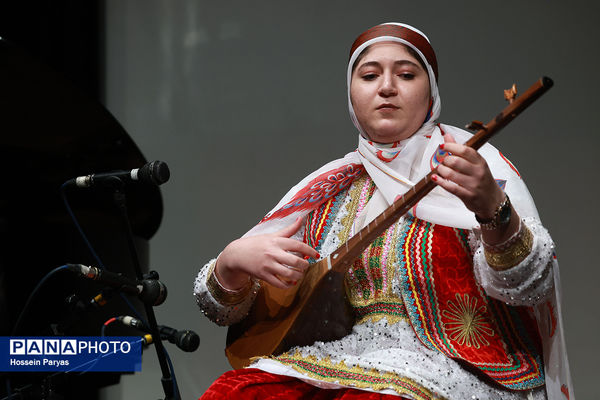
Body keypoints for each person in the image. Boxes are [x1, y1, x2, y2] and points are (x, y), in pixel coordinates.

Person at [194, 23, 574, 400]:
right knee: (233, 393)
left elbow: (532, 287)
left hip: (453, 367)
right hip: (338, 361)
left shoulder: (473, 169)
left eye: (406, 74)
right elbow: (224, 311)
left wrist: (492, 208)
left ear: (431, 93)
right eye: (370, 75)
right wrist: (232, 263)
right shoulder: (330, 187)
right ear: (351, 93)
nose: (387, 87)